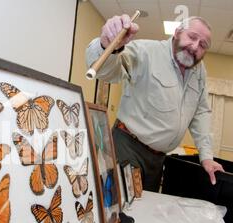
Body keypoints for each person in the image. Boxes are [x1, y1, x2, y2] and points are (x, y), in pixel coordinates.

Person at [86, 15, 225, 191]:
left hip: (159, 160)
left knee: (146, 212)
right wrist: (107, 45)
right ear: (176, 32)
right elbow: (107, 71)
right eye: (192, 37)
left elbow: (201, 112)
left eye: (203, 45)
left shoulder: (199, 72)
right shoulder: (146, 51)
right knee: (119, 211)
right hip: (128, 148)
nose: (195, 46)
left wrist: (206, 156)